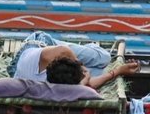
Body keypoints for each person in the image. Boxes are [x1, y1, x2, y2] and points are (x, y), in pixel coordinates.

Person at [11, 31, 140, 90]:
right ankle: (90, 61)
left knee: (104, 58)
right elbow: (89, 85)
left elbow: (64, 52)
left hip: (38, 44)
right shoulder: (57, 88)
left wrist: (83, 70)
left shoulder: (61, 52)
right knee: (100, 71)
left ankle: (91, 48)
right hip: (21, 68)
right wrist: (117, 71)